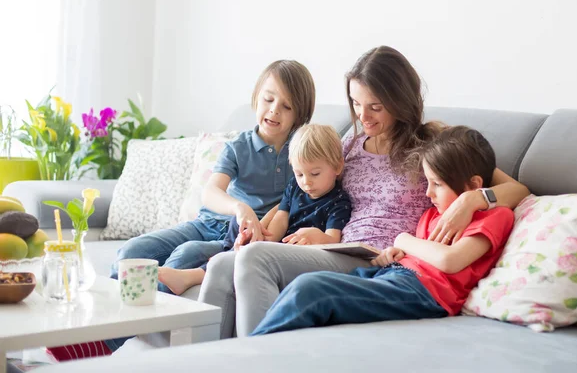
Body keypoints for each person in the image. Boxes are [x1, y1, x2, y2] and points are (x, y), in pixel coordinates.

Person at [199, 45, 530, 339]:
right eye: (356, 103)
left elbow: (516, 188)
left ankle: (253, 362)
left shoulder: (434, 141)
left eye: (375, 106)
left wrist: (472, 200)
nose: (362, 115)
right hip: (341, 248)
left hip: (381, 260)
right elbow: (298, 194)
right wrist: (261, 230)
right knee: (224, 265)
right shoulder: (350, 145)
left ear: (400, 101)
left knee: (255, 260)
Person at [47, 59, 316, 361]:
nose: (274, 110)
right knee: (132, 252)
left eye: (286, 106)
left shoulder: (302, 151)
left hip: (234, 238)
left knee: (184, 256)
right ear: (256, 97)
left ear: (300, 114)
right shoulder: (238, 146)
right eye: (268, 99)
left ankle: (100, 344)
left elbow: (310, 195)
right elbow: (211, 191)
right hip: (208, 222)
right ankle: (92, 328)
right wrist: (240, 207)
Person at [251, 125, 515, 334]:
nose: (427, 191)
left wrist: (403, 239)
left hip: (425, 294)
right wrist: (393, 253)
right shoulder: (433, 214)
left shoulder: (495, 215)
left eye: (436, 184)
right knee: (304, 288)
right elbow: (415, 256)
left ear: (473, 185)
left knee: (310, 290)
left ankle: (249, 357)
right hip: (394, 275)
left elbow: (449, 260)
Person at [158, 124, 352, 295]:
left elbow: (332, 239)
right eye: (299, 173)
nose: (306, 182)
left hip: (296, 253)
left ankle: (197, 273)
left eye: (315, 174)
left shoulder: (338, 201)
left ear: (337, 166)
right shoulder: (295, 186)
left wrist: (316, 235)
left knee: (242, 253)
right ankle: (232, 253)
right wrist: (264, 237)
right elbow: (281, 218)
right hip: (277, 244)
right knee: (239, 222)